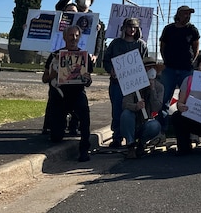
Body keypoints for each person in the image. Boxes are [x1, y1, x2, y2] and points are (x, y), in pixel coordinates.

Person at [42, 25, 93, 162]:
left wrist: (88, 80)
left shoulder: (84, 56)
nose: (73, 38)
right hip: (59, 96)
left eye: (76, 36)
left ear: (79, 37)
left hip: (77, 93)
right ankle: (61, 125)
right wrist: (53, 75)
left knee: (85, 115)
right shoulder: (55, 55)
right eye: (71, 35)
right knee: (56, 137)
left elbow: (88, 82)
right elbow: (44, 79)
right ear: (64, 37)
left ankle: (84, 150)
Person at [103, 17, 148, 148]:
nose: (132, 29)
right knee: (117, 110)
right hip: (117, 84)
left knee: (134, 110)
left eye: (134, 27)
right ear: (123, 28)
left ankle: (133, 137)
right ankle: (117, 137)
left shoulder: (141, 44)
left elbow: (146, 64)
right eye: (129, 27)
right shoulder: (115, 43)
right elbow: (106, 60)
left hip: (135, 85)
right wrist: (110, 70)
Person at [158, 5, 201, 123]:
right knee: (164, 99)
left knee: (189, 99)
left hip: (186, 70)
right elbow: (162, 47)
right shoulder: (168, 29)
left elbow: (196, 48)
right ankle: (162, 130)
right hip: (169, 69)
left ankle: (190, 130)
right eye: (185, 13)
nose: (187, 16)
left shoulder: (192, 30)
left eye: (189, 14)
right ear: (178, 15)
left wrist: (192, 61)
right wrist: (166, 61)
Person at [121, 56, 166, 158]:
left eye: (153, 68)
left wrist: (152, 90)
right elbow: (125, 104)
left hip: (146, 122)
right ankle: (130, 145)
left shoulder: (159, 87)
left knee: (155, 125)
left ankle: (142, 144)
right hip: (133, 122)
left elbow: (156, 108)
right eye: (148, 68)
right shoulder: (133, 84)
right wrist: (136, 106)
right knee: (126, 114)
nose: (151, 70)